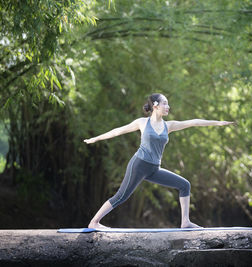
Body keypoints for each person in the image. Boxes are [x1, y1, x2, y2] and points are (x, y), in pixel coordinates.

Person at [84, 93, 234, 229]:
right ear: (155, 105)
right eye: (165, 103)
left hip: (154, 169)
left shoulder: (169, 126)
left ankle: (185, 222)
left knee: (184, 185)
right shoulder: (142, 123)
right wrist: (95, 138)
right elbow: (117, 131)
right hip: (139, 165)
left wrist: (218, 123)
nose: (168, 107)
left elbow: (193, 122)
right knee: (121, 196)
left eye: (168, 104)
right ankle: (94, 222)